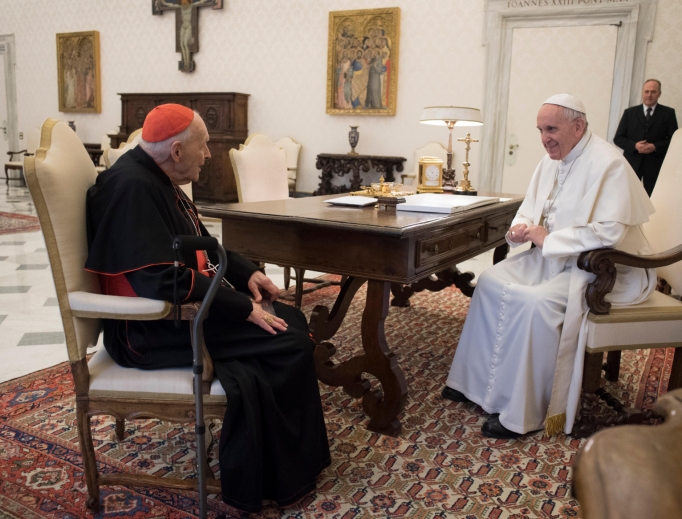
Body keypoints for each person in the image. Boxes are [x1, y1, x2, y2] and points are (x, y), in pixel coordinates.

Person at [85, 104, 330, 513]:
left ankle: (273, 463)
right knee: (288, 339)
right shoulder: (131, 188)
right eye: (205, 146)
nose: (211, 155)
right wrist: (241, 308)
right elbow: (160, 279)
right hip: (149, 330)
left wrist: (246, 273)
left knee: (287, 320)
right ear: (177, 150)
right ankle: (274, 477)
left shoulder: (154, 176)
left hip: (183, 313)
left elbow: (202, 246)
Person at [442, 94, 656, 439]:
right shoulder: (550, 161)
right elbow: (531, 207)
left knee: (534, 303)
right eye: (541, 130)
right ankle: (471, 383)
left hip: (603, 269)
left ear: (578, 126)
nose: (545, 138)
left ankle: (526, 412)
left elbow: (610, 232)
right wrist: (521, 228)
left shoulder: (610, 163)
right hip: (555, 256)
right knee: (490, 280)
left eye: (551, 129)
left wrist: (548, 239)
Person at [614, 79, 678, 196]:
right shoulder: (630, 113)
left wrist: (655, 147)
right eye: (646, 91)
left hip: (656, 165)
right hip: (632, 163)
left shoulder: (668, 113)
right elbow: (618, 138)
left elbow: (675, 141)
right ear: (642, 92)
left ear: (659, 94)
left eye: (653, 92)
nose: (649, 95)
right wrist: (635, 146)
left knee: (653, 198)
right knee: (627, 195)